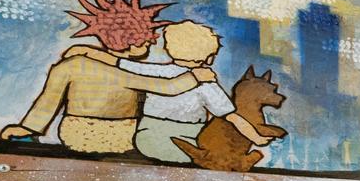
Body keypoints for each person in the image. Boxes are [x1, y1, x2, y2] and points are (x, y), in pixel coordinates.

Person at [0, 0, 217, 154]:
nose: (151, 43)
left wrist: (29, 128)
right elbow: (168, 87)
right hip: (121, 137)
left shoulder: (72, 65)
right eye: (147, 39)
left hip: (74, 134)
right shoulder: (130, 72)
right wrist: (196, 76)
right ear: (131, 41)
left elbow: (48, 101)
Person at [96, 22, 267, 164]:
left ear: (169, 49)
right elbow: (231, 116)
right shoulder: (206, 82)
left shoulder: (156, 71)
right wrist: (256, 137)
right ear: (209, 58)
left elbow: (122, 63)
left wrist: (88, 52)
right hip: (186, 145)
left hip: (146, 140)